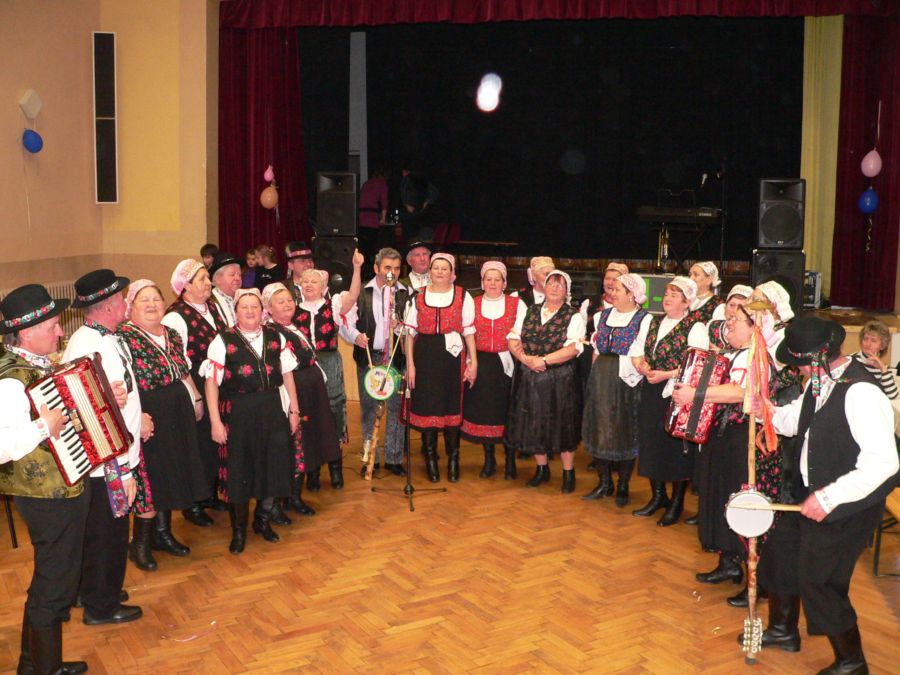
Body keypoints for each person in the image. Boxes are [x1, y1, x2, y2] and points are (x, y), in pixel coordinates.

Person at [751, 316, 897, 673]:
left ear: (816, 358)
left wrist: (829, 498)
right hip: (811, 490)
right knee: (781, 553)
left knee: (821, 580)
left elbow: (884, 463)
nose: (797, 368)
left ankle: (852, 662)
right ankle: (783, 630)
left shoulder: (861, 392)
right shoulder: (819, 380)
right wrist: (767, 413)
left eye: (799, 362)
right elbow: (799, 420)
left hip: (850, 503)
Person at [0, 284, 88, 674]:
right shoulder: (10, 381)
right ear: (25, 333)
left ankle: (33, 663)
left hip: (61, 487)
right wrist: (42, 427)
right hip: (44, 497)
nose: (59, 332)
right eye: (52, 326)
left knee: (51, 580)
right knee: (53, 587)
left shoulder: (39, 365)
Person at [672, 305, 777, 591]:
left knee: (740, 498)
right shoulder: (731, 354)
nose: (728, 324)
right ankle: (728, 562)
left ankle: (756, 579)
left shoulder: (756, 356)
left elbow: (739, 392)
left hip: (742, 438)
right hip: (722, 435)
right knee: (719, 495)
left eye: (735, 320)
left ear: (754, 327)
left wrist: (695, 394)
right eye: (728, 318)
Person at [62, 269, 143, 626]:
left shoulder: (102, 337)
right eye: (122, 298)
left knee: (102, 530)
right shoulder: (88, 346)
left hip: (113, 455)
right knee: (109, 532)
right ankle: (102, 605)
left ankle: (96, 588)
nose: (126, 303)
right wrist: (122, 466)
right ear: (109, 306)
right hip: (108, 461)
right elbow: (95, 413)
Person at [117, 280, 209, 571]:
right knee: (151, 476)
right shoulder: (124, 337)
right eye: (144, 300)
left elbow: (182, 370)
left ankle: (163, 533)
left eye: (156, 299)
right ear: (131, 306)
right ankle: (140, 544)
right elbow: (122, 383)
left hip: (176, 410)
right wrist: (138, 416)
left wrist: (196, 398)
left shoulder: (171, 333)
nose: (152, 305)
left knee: (171, 471)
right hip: (149, 411)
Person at [203, 289, 300, 553]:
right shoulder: (222, 340)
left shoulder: (275, 336)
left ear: (262, 310)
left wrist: (294, 411)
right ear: (235, 312)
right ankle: (238, 531)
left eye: (254, 306)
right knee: (240, 471)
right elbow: (211, 383)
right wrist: (215, 421)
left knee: (273, 466)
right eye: (244, 307)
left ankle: (262, 521)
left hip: (272, 409)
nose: (249, 311)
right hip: (238, 412)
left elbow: (288, 375)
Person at [629, 276, 707, 525]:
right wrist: (641, 365)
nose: (667, 299)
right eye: (666, 294)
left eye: (674, 295)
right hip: (651, 391)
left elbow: (696, 364)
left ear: (687, 302)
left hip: (677, 394)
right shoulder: (653, 322)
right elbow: (637, 350)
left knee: (674, 449)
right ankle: (658, 496)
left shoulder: (695, 326)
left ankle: (676, 502)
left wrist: (667, 374)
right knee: (651, 443)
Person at [162, 259, 230, 527]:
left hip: (216, 382)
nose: (208, 283)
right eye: (202, 279)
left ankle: (210, 494)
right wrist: (196, 396)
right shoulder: (175, 316)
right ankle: (193, 504)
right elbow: (175, 359)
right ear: (186, 286)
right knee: (197, 446)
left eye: (207, 278)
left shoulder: (212, 307)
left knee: (212, 446)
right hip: (195, 385)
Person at [506, 270, 586, 492]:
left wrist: (543, 360)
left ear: (567, 291)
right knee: (534, 422)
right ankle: (542, 469)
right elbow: (513, 338)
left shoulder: (574, 316)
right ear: (544, 286)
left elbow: (573, 348)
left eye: (560, 285)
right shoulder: (530, 311)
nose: (555, 288)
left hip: (560, 379)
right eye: (551, 283)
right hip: (530, 376)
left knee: (563, 424)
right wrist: (525, 359)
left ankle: (568, 472)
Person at [263, 282, 336, 515]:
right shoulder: (272, 332)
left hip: (309, 391)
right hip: (294, 394)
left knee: (305, 444)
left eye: (289, 300)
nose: (287, 304)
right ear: (269, 308)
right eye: (280, 301)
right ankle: (289, 498)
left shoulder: (292, 327)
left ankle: (294, 495)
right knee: (297, 445)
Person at [294, 251, 364, 490]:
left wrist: (356, 268)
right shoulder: (293, 310)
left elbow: (353, 296)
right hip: (304, 368)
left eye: (314, 281)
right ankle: (313, 472)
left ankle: (335, 468)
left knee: (333, 413)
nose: (309, 284)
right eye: (305, 281)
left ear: (324, 286)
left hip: (329, 363)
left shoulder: (333, 305)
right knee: (308, 416)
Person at [406, 253, 477, 483]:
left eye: (444, 268)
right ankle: (430, 459)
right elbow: (409, 333)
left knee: (450, 404)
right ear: (430, 271)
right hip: (424, 355)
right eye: (435, 267)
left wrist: (473, 362)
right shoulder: (417, 296)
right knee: (428, 406)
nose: (439, 271)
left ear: (452, 272)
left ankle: (453, 458)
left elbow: (469, 331)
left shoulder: (463, 295)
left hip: (452, 358)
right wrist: (410, 364)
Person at [581, 273, 650, 506]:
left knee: (623, 429)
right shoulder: (602, 316)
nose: (612, 292)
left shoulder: (644, 319)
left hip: (625, 378)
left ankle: (623, 485)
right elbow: (597, 350)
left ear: (632, 295)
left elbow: (640, 352)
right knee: (600, 426)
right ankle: (604, 482)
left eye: (618, 289)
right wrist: (594, 377)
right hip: (602, 374)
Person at [341, 248, 410, 475]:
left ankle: (393, 458)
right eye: (387, 267)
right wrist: (355, 337)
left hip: (396, 359)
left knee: (396, 410)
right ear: (376, 268)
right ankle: (370, 457)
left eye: (397, 268)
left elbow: (413, 328)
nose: (392, 273)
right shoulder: (360, 292)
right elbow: (345, 321)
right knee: (369, 409)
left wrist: (400, 328)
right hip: (369, 358)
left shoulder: (406, 293)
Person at [461, 261, 526, 479]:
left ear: (504, 283)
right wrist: (470, 362)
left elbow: (522, 333)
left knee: (507, 410)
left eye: (497, 279)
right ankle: (489, 459)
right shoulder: (473, 303)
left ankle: (510, 460)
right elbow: (467, 333)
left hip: (508, 364)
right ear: (482, 282)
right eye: (488, 279)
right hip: (482, 363)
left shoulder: (517, 304)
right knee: (484, 412)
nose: (492, 283)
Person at [850, 320, 898, 400]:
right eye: (865, 339)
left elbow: (892, 395)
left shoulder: (883, 368)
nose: (868, 344)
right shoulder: (851, 361)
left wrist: (883, 369)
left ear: (882, 346)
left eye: (873, 340)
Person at [705, 284, 752, 351]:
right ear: (725, 306)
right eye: (732, 305)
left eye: (741, 308)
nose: (735, 311)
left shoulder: (751, 334)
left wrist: (721, 352)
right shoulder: (713, 327)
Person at [358, 165, 390, 260]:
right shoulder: (382, 183)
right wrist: (383, 218)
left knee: (363, 248)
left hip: (361, 218)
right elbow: (384, 202)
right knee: (373, 247)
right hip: (371, 219)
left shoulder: (366, 183)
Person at [207, 251, 243, 328]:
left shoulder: (244, 298)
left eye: (239, 275)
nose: (238, 278)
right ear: (217, 279)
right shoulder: (209, 303)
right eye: (232, 275)